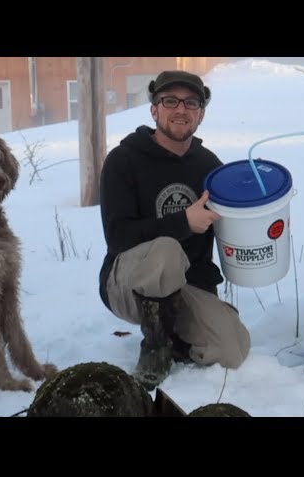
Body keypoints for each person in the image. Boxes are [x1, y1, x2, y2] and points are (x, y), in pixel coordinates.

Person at [98, 70, 251, 390]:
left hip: (181, 284)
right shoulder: (123, 160)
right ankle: (154, 349)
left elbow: (217, 240)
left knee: (233, 349)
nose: (181, 109)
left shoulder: (209, 166)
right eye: (170, 101)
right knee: (168, 247)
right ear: (154, 109)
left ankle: (173, 337)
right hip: (126, 283)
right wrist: (183, 222)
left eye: (191, 103)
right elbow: (118, 237)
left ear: (201, 114)